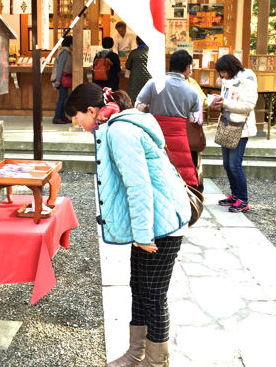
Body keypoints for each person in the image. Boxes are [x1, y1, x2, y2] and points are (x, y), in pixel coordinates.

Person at [65, 83, 191, 367]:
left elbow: (138, 186)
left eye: (76, 117)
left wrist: (144, 235)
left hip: (161, 225)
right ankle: (136, 354)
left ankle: (156, 361)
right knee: (139, 287)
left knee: (154, 296)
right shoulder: (116, 126)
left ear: (90, 110)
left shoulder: (120, 131)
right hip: (151, 221)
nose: (76, 123)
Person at [136, 50, 200, 188]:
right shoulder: (192, 90)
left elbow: (139, 106)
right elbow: (194, 118)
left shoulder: (153, 83)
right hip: (180, 138)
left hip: (155, 133)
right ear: (187, 67)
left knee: (154, 170)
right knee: (181, 172)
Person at [209, 54, 258, 213]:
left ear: (231, 68)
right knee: (227, 164)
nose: (221, 75)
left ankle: (243, 199)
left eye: (223, 71)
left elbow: (248, 105)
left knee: (234, 165)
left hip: (240, 127)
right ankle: (235, 195)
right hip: (227, 124)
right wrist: (219, 101)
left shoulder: (247, 80)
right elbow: (228, 100)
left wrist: (225, 103)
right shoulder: (228, 81)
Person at [51, 36, 72, 124]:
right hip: (62, 78)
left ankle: (62, 116)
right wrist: (58, 79)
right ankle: (57, 117)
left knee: (64, 98)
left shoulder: (66, 52)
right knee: (62, 98)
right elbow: (60, 67)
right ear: (70, 44)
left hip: (64, 77)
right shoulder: (64, 52)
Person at [124, 36, 151, 101]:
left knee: (134, 97)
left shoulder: (133, 53)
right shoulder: (151, 52)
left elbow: (128, 65)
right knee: (148, 97)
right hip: (148, 79)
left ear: (136, 42)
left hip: (135, 79)